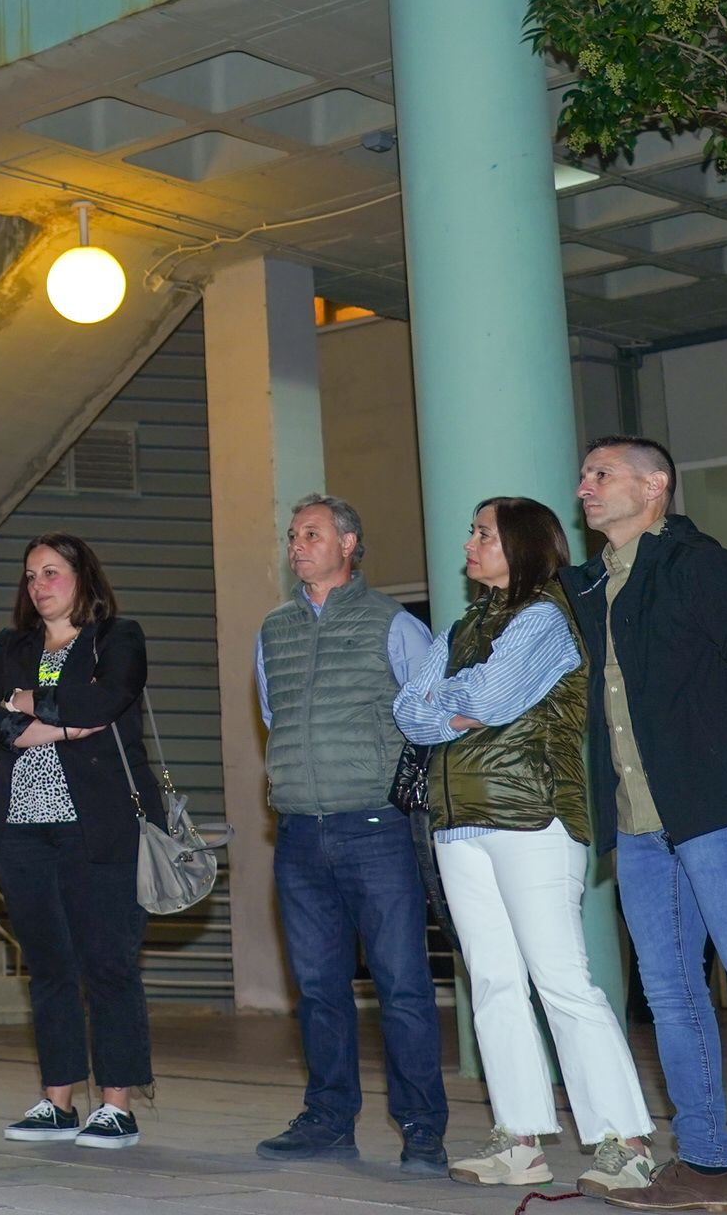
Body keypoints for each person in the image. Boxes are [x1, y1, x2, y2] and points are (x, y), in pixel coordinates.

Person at [570, 436, 727, 1215]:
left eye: (601, 474)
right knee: (673, 998)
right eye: (584, 477)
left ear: (655, 487)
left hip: (716, 810)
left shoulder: (701, 567)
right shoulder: (589, 588)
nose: (585, 488)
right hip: (639, 825)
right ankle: (707, 1163)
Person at [391, 497, 657, 1194]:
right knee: (495, 984)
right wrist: (451, 704)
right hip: (459, 822)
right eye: (473, 530)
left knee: (562, 982)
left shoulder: (545, 618)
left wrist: (449, 704)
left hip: (532, 817)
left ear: (522, 544)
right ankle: (520, 1140)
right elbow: (407, 710)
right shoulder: (463, 625)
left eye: (483, 533)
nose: (470, 542)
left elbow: (492, 698)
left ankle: (623, 1143)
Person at [253, 493, 449, 1174]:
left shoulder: (393, 624)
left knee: (402, 985)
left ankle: (423, 1127)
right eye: (291, 536)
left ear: (348, 543)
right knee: (318, 987)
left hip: (376, 829)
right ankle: (328, 1119)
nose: (296, 545)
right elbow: (274, 717)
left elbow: (431, 714)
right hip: (301, 832)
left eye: (310, 533)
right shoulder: (273, 630)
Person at [0, 533, 157, 1149]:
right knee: (48, 966)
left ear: (82, 579)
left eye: (51, 572)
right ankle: (58, 1101)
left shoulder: (117, 638)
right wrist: (57, 722)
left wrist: (29, 705)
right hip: (23, 828)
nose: (38, 585)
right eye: (30, 575)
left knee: (108, 963)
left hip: (98, 828)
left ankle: (118, 1104)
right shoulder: (10, 645)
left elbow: (106, 699)